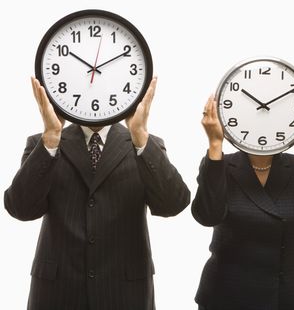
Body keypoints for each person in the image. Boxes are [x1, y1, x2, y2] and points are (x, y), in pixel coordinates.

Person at [4, 76, 190, 310]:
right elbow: (20, 209)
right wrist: (51, 135)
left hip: (125, 294)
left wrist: (140, 134)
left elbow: (173, 204)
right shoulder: (43, 143)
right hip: (58, 294)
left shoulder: (145, 143)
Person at [191, 95, 294, 310]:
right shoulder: (221, 165)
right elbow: (207, 216)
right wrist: (215, 144)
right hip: (226, 296)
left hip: (287, 298)